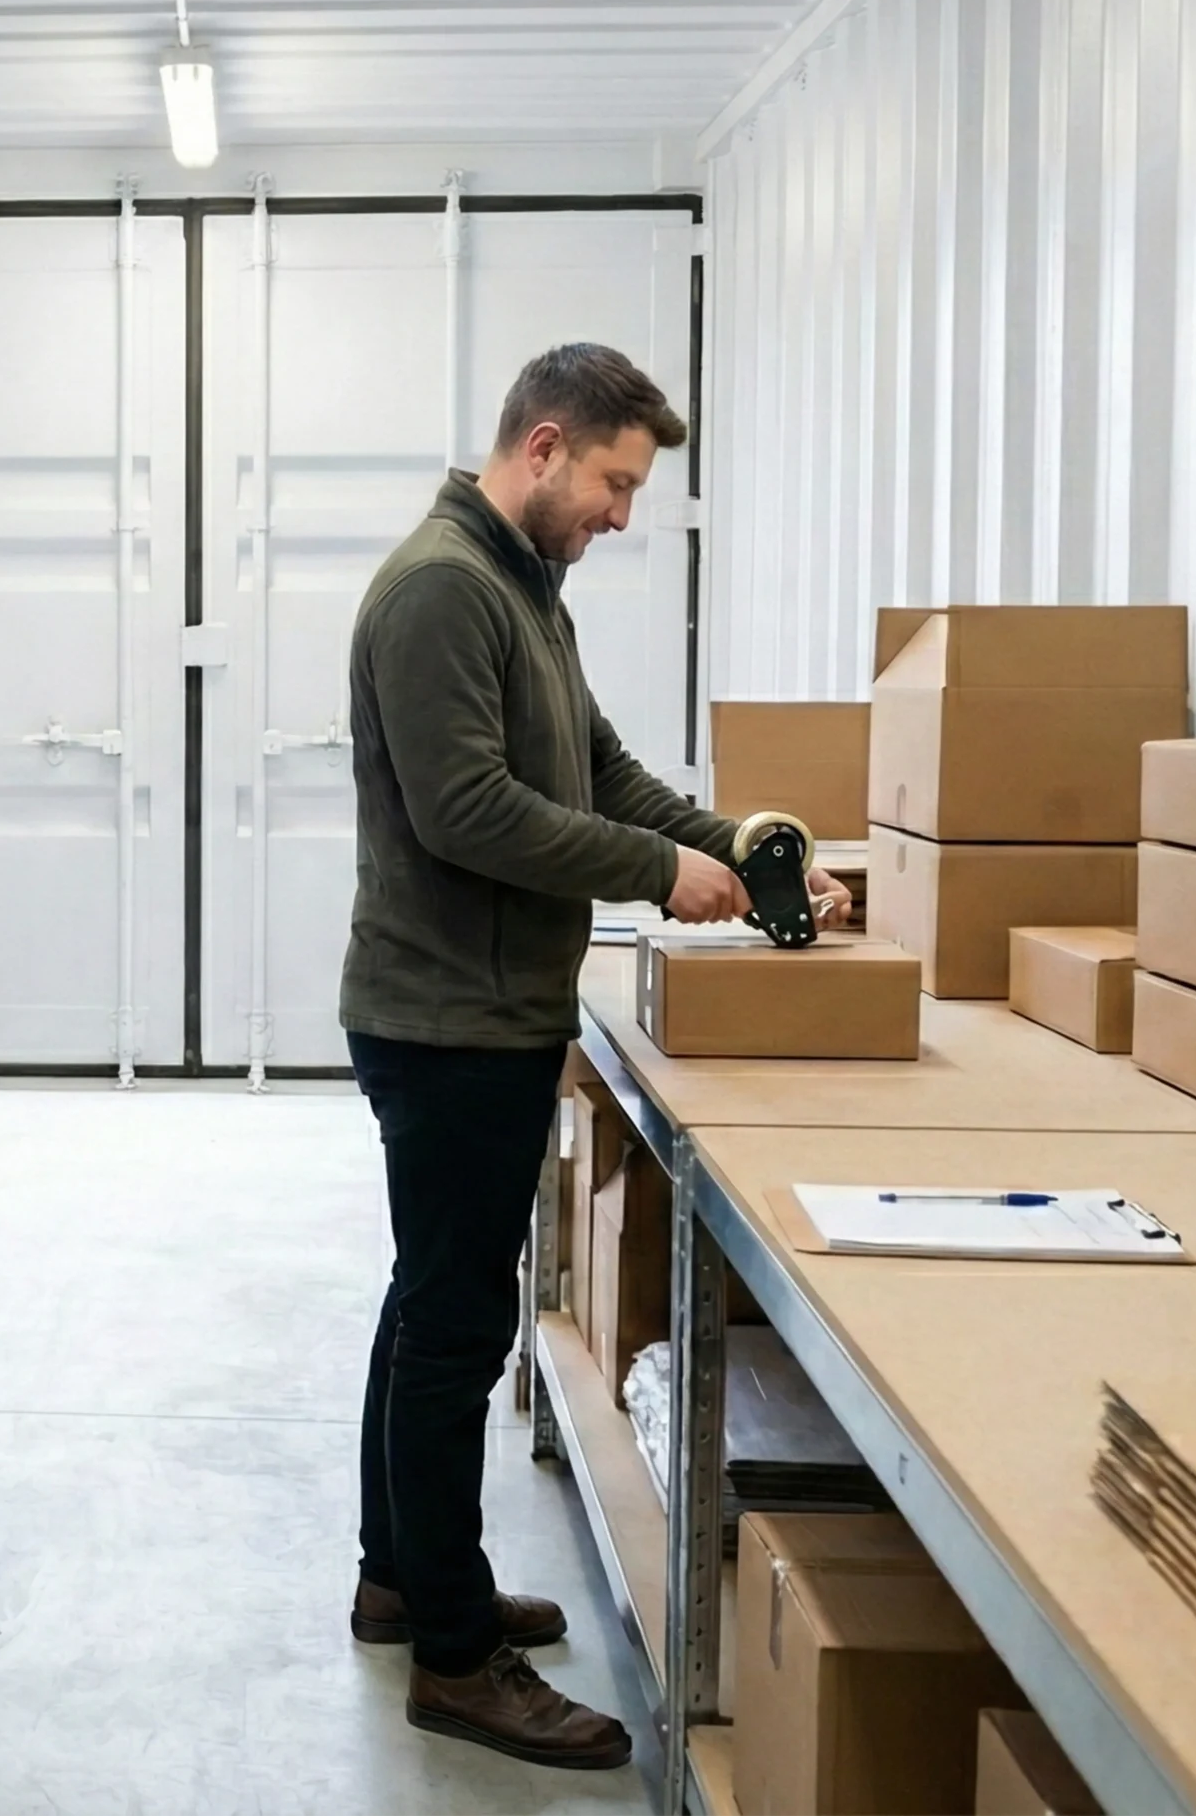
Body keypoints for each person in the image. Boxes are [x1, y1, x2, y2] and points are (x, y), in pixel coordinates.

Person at [339, 344, 849, 1767]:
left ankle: (403, 1574)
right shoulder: (445, 588)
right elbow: (468, 813)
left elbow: (599, 768)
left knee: (430, 1301)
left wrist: (734, 852)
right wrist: (652, 874)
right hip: (447, 1018)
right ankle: (453, 1652)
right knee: (454, 1333)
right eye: (619, 483)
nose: (626, 513)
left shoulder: (521, 589)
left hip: (483, 1008)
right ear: (547, 447)